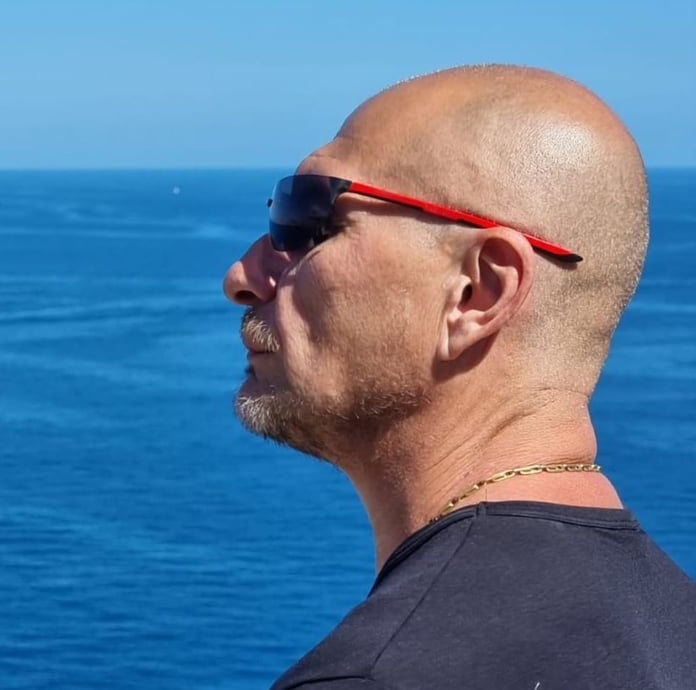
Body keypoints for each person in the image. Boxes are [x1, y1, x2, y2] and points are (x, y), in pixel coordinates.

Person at [222, 65, 696, 689]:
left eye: (308, 219)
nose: (241, 276)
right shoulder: (677, 629)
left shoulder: (378, 678)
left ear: (477, 293)